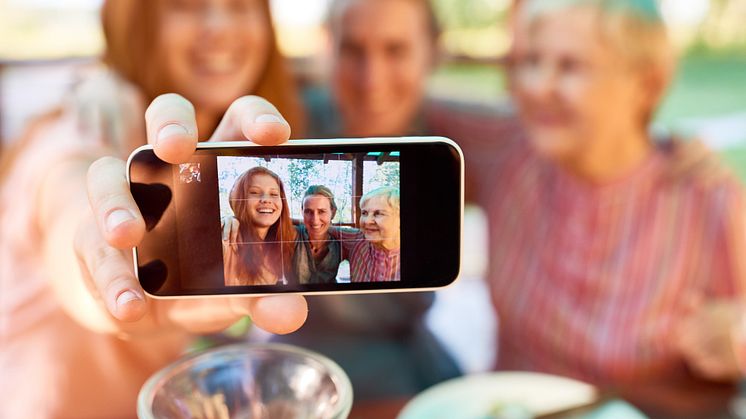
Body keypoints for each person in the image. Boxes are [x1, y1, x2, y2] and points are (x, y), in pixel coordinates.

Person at [0, 0, 307, 416]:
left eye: (241, 4)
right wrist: (103, 268)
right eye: (185, 5)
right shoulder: (80, 133)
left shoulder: (220, 152)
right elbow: (68, 207)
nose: (219, 26)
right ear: (136, 22)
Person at [445, 0, 746, 385]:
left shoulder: (705, 198)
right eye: (531, 61)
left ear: (647, 83)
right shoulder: (508, 146)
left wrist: (733, 342)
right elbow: (386, 92)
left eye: (570, 66)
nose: (538, 87)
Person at [223, 167, 296, 286]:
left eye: (273, 194)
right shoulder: (227, 239)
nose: (266, 200)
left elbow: (312, 224)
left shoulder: (279, 241)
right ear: (239, 200)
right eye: (254, 193)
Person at [334, 186, 401, 282]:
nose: (367, 221)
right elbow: (322, 228)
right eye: (364, 213)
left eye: (378, 213)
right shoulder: (357, 239)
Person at [291, 185, 344, 284]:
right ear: (302, 212)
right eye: (308, 212)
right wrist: (302, 222)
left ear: (333, 212)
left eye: (321, 211)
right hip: (296, 298)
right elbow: (276, 220)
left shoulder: (342, 242)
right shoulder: (294, 235)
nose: (315, 220)